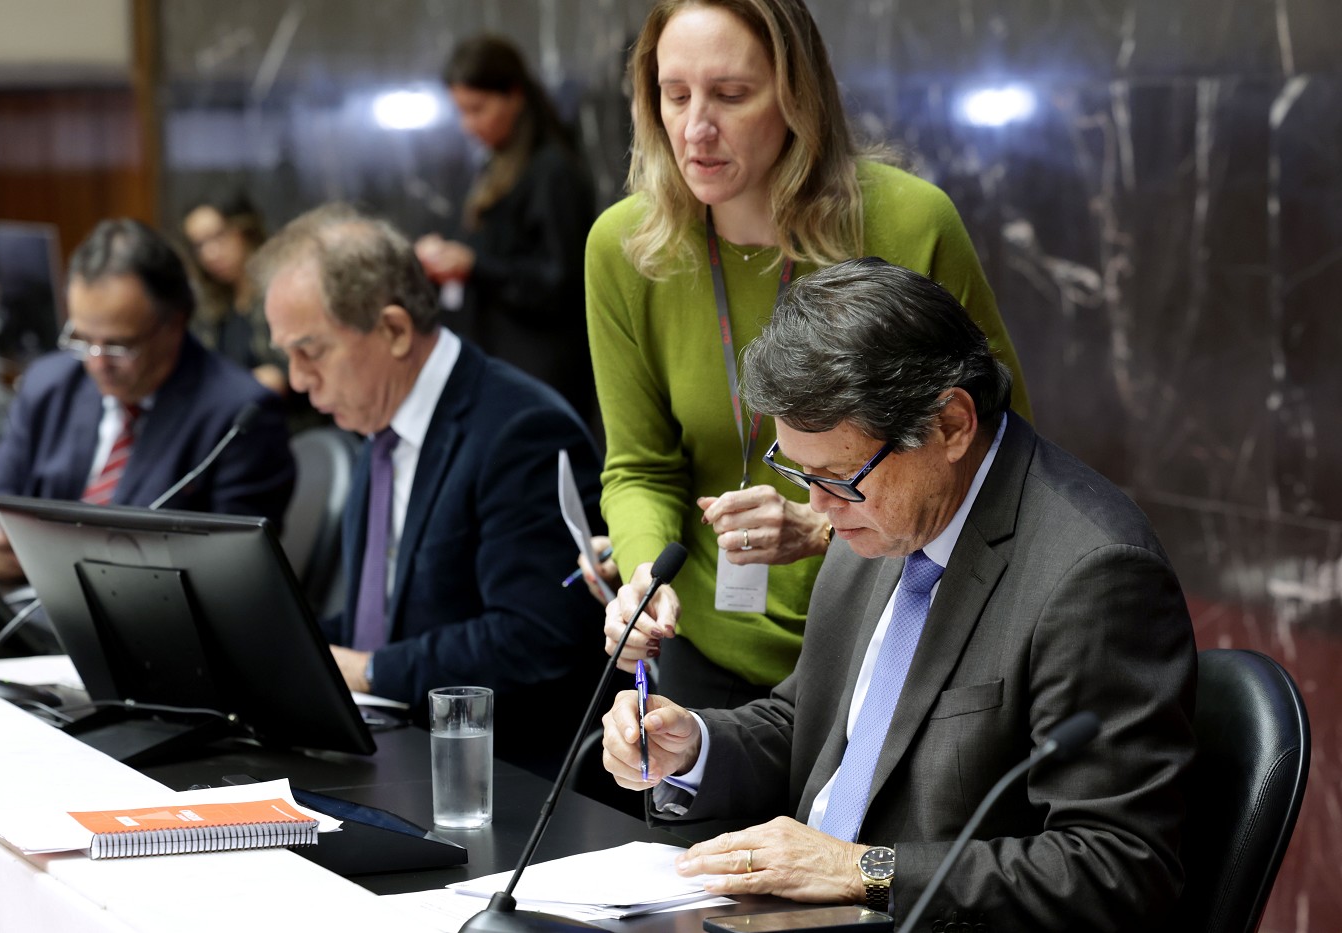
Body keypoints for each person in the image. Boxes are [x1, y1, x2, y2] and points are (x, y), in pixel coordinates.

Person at [599, 258, 1196, 930]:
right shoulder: (881, 515)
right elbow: (816, 726)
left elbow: (1115, 867)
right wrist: (694, 747)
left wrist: (862, 871)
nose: (818, 506)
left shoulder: (1094, 574)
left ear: (951, 425)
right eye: (801, 474)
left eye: (838, 476)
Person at [585, 0, 1034, 710]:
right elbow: (640, 465)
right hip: (708, 645)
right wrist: (644, 579)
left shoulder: (909, 221)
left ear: (797, 97)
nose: (696, 128)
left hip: (891, 629)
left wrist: (823, 524)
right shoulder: (624, 248)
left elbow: (998, 451)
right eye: (675, 95)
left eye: (731, 94)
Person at [256, 203, 604, 775]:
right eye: (286, 356)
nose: (296, 379)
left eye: (310, 352)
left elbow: (537, 635)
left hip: (491, 775)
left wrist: (368, 671)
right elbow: (386, 622)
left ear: (394, 330)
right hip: (387, 750)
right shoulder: (380, 423)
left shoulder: (521, 431)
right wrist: (283, 652)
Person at [0, 219, 296, 585]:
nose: (97, 363)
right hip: (28, 603)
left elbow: (236, 574)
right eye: (83, 338)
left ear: (174, 324)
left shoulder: (241, 416)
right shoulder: (49, 383)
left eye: (118, 345)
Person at [414, 35, 597, 425]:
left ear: (513, 96)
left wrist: (475, 265)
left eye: (477, 109)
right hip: (498, 365)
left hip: (542, 376)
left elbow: (560, 281)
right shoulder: (494, 165)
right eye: (461, 111)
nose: (468, 125)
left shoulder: (552, 172)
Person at [181, 189, 288, 397]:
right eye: (199, 245)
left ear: (246, 230)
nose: (210, 253)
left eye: (218, 236)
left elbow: (282, 375)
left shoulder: (282, 291)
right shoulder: (210, 307)